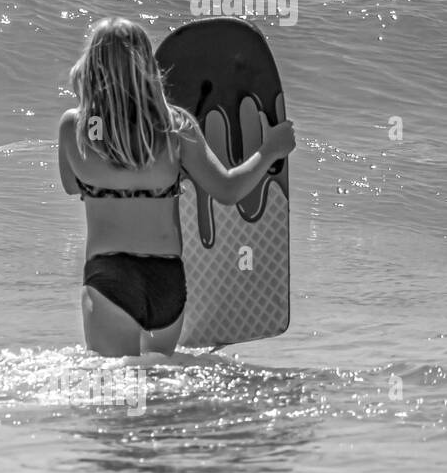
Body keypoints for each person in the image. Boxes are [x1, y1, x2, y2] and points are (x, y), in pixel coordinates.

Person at [57, 18, 296, 357]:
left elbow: (71, 185)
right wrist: (270, 149)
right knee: (159, 387)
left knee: (113, 391)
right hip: (167, 282)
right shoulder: (175, 126)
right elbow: (227, 189)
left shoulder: (75, 127)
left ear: (92, 65)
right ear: (146, 66)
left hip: (110, 277)